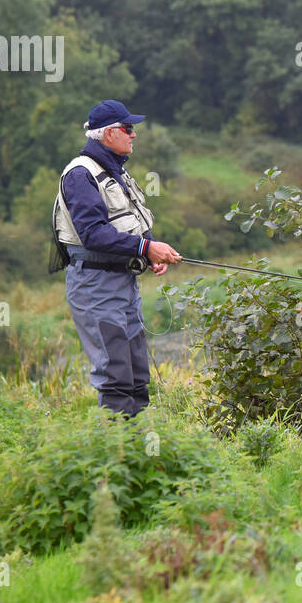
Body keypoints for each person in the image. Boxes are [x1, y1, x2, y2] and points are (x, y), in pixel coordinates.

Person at [51, 100, 181, 416]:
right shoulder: (81, 175)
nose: (133, 135)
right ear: (109, 133)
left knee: (137, 374)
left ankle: (137, 448)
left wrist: (149, 251)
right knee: (116, 374)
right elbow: (93, 233)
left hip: (122, 283)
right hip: (96, 286)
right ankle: (116, 454)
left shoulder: (115, 170)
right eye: (128, 128)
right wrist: (144, 249)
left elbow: (127, 221)